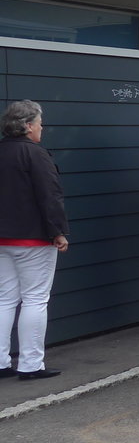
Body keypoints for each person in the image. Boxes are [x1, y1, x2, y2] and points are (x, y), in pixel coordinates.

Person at [0, 100, 69, 381]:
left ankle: (1, 362)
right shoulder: (36, 155)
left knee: (4, 299)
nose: (42, 128)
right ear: (29, 126)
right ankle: (30, 364)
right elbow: (49, 196)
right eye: (40, 123)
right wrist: (59, 232)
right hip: (33, 239)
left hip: (2, 239)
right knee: (35, 299)